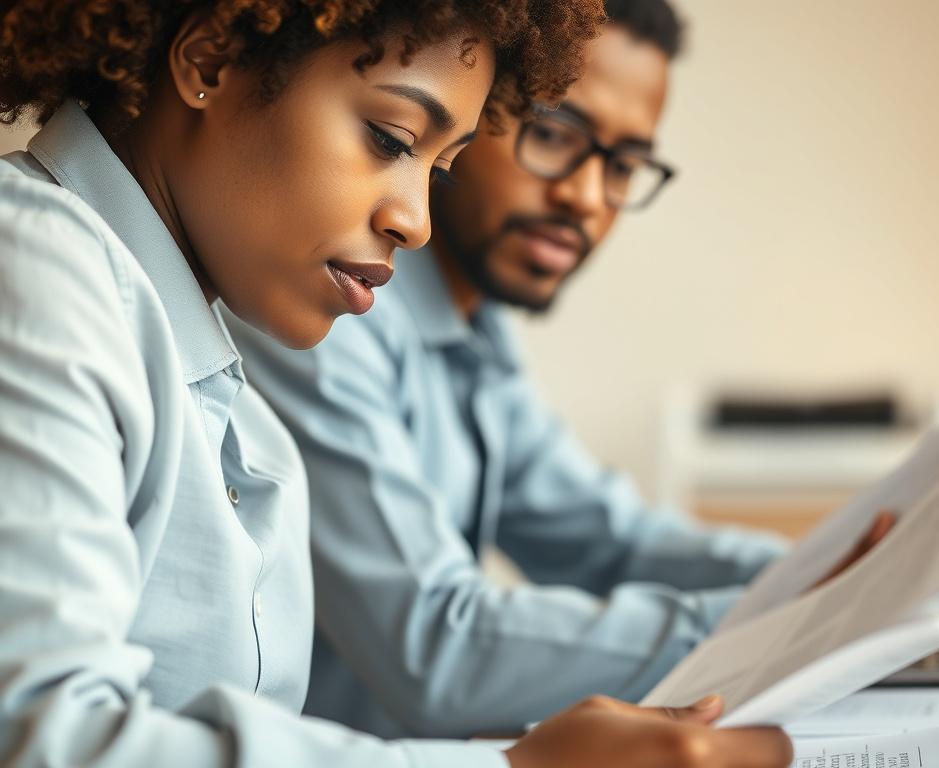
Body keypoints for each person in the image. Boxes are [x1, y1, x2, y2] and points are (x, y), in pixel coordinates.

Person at [0, 2, 794, 766]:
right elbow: (42, 740)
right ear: (210, 61)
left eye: (440, 167)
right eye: (391, 138)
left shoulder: (231, 403)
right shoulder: (31, 268)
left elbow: (602, 531)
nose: (414, 221)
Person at [226, 0, 796, 741]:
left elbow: (608, 539)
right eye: (556, 135)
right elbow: (434, 649)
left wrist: (830, 566)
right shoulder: (329, 313)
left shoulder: (475, 326)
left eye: (623, 167)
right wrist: (790, 617)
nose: (586, 197)